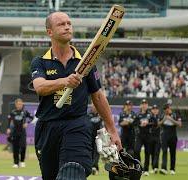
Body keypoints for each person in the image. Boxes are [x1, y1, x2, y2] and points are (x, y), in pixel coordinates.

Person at [31, 11, 122, 180]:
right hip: (47, 126)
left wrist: (112, 130)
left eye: (69, 23)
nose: (67, 27)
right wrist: (64, 81)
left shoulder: (86, 62)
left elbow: (98, 96)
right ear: (49, 32)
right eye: (61, 24)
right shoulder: (40, 62)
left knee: (72, 171)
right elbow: (40, 87)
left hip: (77, 124)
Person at [7, 98, 34, 168]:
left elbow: (32, 117)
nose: (20, 105)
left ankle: (22, 161)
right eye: (18, 104)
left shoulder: (25, 112)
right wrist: (8, 129)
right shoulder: (13, 112)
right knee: (15, 148)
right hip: (14, 132)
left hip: (22, 132)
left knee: (23, 146)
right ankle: (16, 163)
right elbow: (9, 121)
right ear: (16, 105)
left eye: (21, 104)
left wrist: (27, 123)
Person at [159, 103, 182, 175]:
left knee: (173, 152)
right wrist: (164, 119)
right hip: (164, 135)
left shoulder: (175, 115)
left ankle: (172, 169)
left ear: (169, 108)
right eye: (165, 109)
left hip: (173, 135)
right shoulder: (162, 115)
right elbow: (158, 124)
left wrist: (171, 119)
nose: (166, 111)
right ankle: (164, 168)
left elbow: (180, 124)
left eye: (167, 109)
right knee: (164, 151)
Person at [133, 99, 152, 176]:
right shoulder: (137, 114)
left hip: (148, 135)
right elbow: (134, 123)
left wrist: (147, 123)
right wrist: (139, 124)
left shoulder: (150, 114)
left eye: (145, 104)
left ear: (147, 105)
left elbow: (155, 123)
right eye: (143, 104)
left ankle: (146, 169)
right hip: (139, 135)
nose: (144, 105)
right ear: (141, 105)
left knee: (147, 153)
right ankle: (139, 168)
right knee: (136, 150)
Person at [88, 105, 102, 175]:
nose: (93, 108)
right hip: (90, 135)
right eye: (92, 107)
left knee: (97, 151)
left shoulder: (101, 115)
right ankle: (93, 167)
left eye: (95, 107)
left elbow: (102, 125)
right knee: (90, 151)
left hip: (98, 135)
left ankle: (94, 166)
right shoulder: (88, 115)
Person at [149, 104, 161, 174]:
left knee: (157, 152)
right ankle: (154, 168)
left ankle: (155, 167)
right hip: (150, 137)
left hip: (158, 137)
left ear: (158, 110)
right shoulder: (149, 117)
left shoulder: (160, 117)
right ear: (152, 110)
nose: (155, 110)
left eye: (156, 109)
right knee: (152, 153)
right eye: (154, 109)